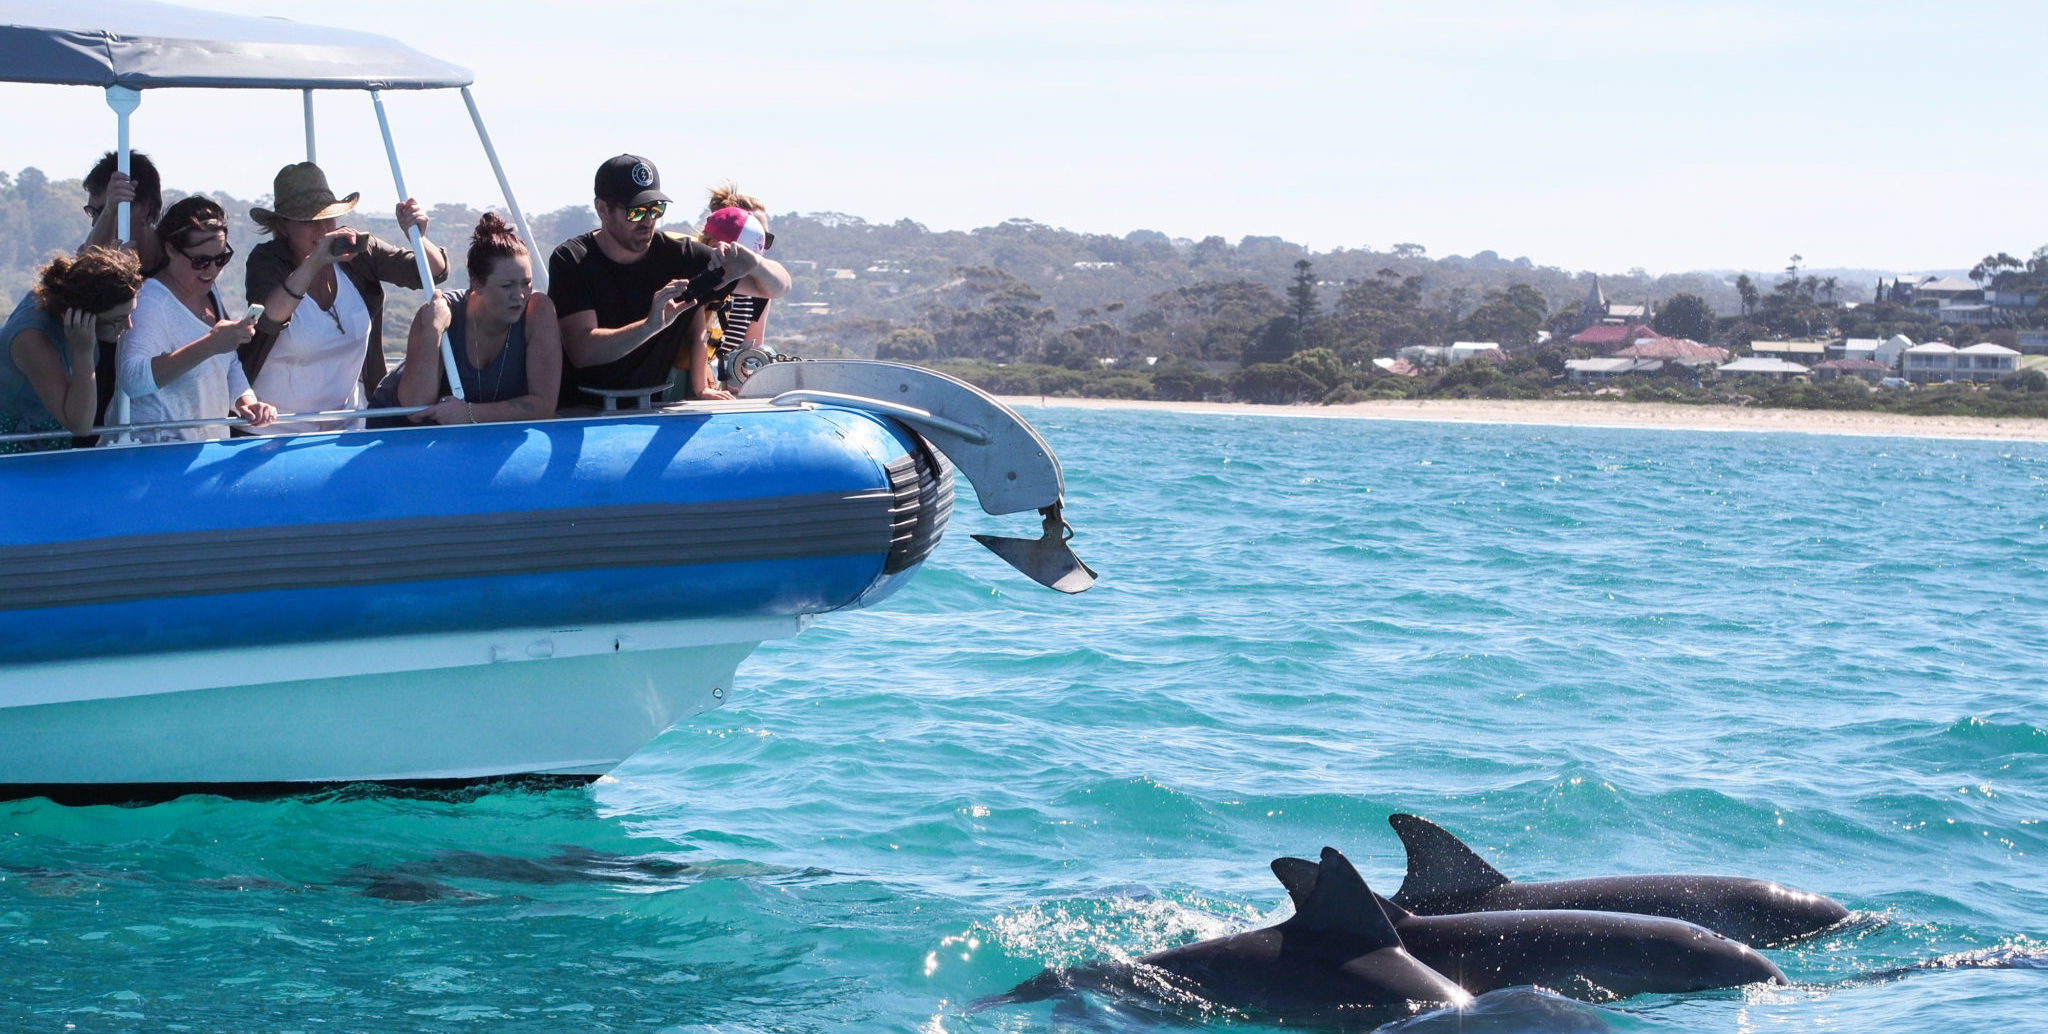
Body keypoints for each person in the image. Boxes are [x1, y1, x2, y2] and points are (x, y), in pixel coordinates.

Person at [548, 154, 789, 410]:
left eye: (656, 209)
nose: (648, 221)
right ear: (603, 209)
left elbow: (777, 287)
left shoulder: (683, 257)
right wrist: (651, 325)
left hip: (648, 410)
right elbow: (583, 351)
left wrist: (751, 261)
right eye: (636, 212)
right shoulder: (573, 259)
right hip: (578, 412)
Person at [242, 162, 448, 434]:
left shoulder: (358, 253)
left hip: (346, 427)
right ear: (283, 226)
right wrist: (316, 260)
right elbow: (270, 316)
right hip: (271, 430)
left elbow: (431, 272)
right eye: (308, 221)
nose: (322, 229)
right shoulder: (266, 260)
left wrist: (417, 236)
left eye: (328, 218)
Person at [369, 213, 561, 425]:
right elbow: (416, 408)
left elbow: (543, 405)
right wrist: (433, 332)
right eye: (507, 286)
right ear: (476, 284)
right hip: (397, 432)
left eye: (526, 283)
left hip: (468, 435)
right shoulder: (439, 313)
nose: (520, 295)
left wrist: (470, 414)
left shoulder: (538, 312)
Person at [116, 196, 276, 443]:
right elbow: (134, 380)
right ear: (170, 248)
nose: (212, 271)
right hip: (154, 457)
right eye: (200, 261)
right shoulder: (150, 301)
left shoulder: (210, 291)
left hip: (203, 452)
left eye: (221, 258)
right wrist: (210, 344)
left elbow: (228, 362)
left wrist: (247, 401)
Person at [0, 247, 142, 453]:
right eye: (118, 319)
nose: (128, 326)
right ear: (83, 316)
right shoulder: (32, 339)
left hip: (47, 432)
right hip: (11, 444)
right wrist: (82, 351)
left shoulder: (68, 292)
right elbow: (81, 425)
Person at [697, 182, 777, 350]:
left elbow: (751, 352)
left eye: (765, 239)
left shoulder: (761, 289)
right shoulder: (696, 271)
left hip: (724, 374)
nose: (759, 245)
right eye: (753, 234)